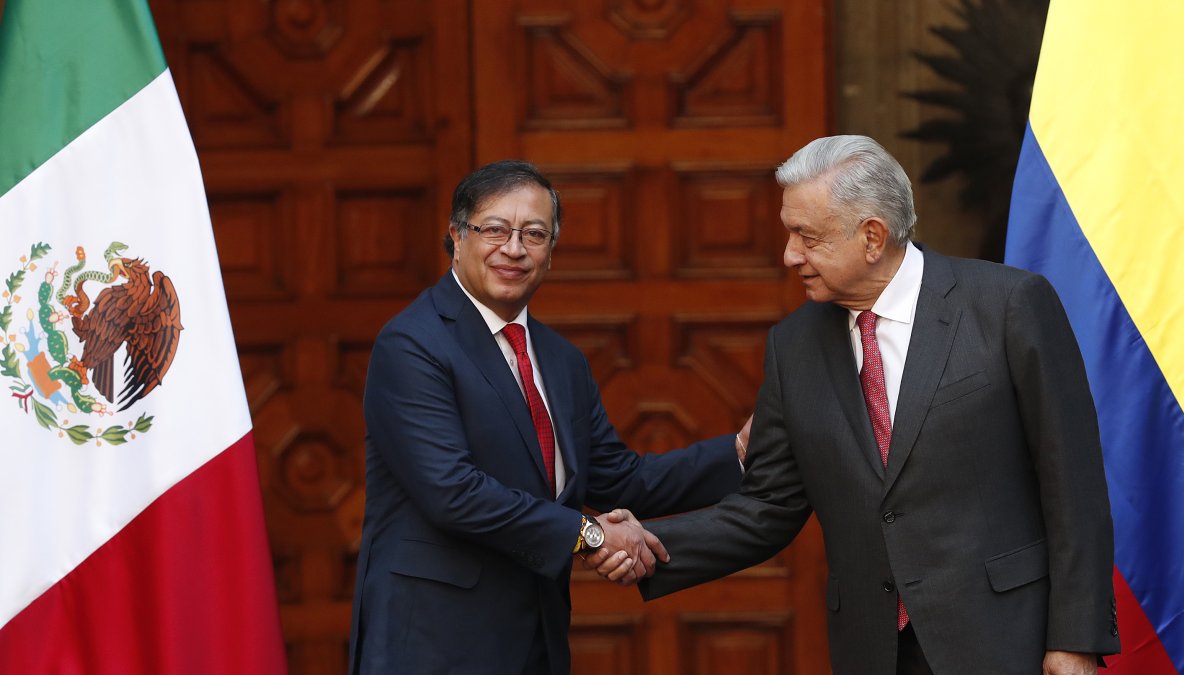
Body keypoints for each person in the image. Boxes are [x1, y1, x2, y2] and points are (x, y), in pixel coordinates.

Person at [590, 136, 1120, 674]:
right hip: (876, 650)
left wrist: (1075, 640)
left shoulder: (1007, 306)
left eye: (807, 237)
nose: (789, 254)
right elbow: (767, 508)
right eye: (789, 233)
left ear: (872, 236)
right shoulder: (793, 346)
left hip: (1007, 640)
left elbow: (1072, 486)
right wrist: (646, 544)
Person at [347, 159, 746, 675]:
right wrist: (592, 535)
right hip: (432, 643)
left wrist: (738, 451)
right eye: (494, 229)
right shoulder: (413, 344)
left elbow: (619, 478)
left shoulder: (560, 361)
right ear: (456, 236)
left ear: (552, 252)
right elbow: (453, 491)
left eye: (534, 234)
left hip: (534, 640)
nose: (513, 248)